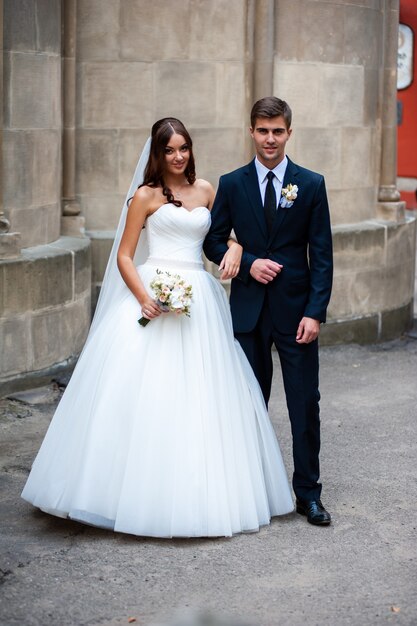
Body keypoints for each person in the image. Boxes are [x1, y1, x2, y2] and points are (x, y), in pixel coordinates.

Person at [21, 117, 294, 538]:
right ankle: (117, 494)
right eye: (169, 150)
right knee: (140, 392)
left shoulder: (206, 190)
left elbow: (221, 237)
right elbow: (125, 256)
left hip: (199, 299)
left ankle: (198, 494)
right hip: (152, 293)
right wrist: (143, 298)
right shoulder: (144, 197)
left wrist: (237, 248)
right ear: (157, 154)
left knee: (202, 394)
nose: (178, 156)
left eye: (183, 148)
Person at [203, 97, 333, 526]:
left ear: (289, 133)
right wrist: (247, 262)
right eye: (263, 130)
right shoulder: (233, 183)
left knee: (304, 405)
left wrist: (315, 312)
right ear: (251, 132)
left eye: (278, 131)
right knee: (247, 403)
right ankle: (251, 490)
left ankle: (308, 493)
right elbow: (213, 240)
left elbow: (323, 255)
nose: (270, 139)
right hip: (248, 312)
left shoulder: (310, 184)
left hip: (297, 314)